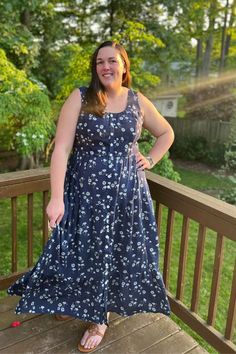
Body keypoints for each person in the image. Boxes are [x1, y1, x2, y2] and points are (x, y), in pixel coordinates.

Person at [7, 40, 174, 353]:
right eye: (100, 62)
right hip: (84, 193)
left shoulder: (138, 101)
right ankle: (75, 301)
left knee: (113, 254)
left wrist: (150, 158)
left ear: (124, 66)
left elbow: (166, 133)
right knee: (79, 250)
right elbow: (62, 148)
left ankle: (100, 319)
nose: (106, 67)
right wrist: (57, 197)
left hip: (127, 197)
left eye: (112, 61)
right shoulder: (81, 97)